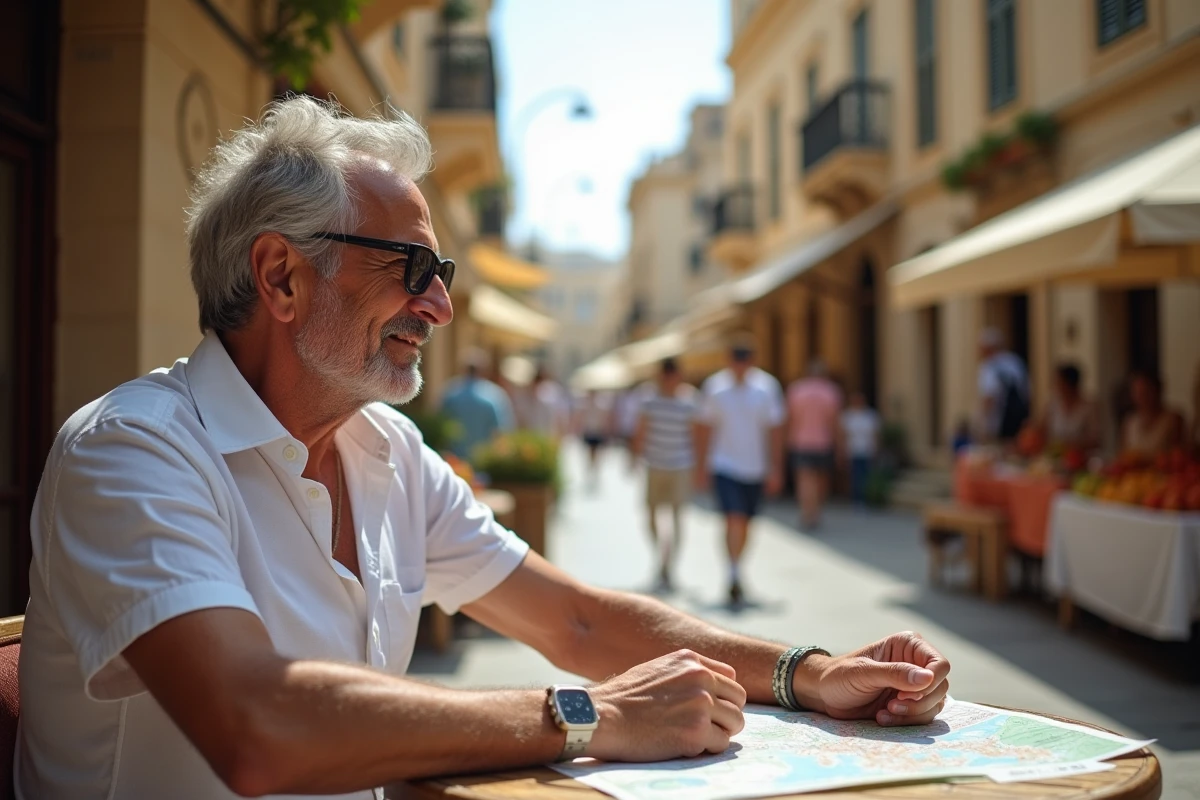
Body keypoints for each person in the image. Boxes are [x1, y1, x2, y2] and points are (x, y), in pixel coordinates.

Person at [17, 97, 951, 799]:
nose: (441, 306)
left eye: (445, 274)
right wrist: (592, 718)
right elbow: (257, 725)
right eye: (413, 269)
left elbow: (578, 623)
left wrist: (813, 673)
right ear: (281, 276)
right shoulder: (131, 450)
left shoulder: (386, 450)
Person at [694, 337, 785, 605]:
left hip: (755, 468)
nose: (740, 366)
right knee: (733, 517)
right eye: (736, 360)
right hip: (724, 465)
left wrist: (775, 467)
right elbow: (705, 427)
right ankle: (732, 573)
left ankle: (737, 567)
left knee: (746, 522)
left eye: (744, 360)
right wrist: (701, 467)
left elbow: (775, 430)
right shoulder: (715, 387)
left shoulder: (767, 387)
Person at [632, 358, 698, 592]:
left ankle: (669, 564)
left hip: (680, 465)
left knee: (677, 517)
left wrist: (699, 468)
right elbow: (641, 429)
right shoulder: (649, 399)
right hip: (655, 464)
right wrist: (635, 457)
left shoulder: (689, 400)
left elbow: (695, 434)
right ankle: (660, 555)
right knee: (651, 515)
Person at [786, 360, 843, 529]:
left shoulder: (796, 390)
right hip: (823, 442)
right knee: (821, 479)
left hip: (800, 441)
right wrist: (840, 445)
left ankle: (807, 511)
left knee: (805, 479)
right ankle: (816, 511)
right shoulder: (831, 391)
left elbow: (790, 419)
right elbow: (834, 422)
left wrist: (786, 441)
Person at [439, 347, 515, 460]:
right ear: (483, 370)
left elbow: (441, 425)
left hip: (455, 459)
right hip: (484, 459)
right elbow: (502, 430)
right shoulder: (494, 395)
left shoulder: (451, 392)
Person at [1027, 364, 1100, 453]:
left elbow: (1096, 440)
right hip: (1055, 456)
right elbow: (1041, 430)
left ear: (1070, 384)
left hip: (1080, 458)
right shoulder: (1053, 404)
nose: (1056, 386)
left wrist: (1070, 446)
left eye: (1059, 382)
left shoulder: (1089, 407)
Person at [976, 327, 1030, 443]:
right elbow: (1026, 391)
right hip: (1020, 420)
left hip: (999, 422)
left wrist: (983, 425)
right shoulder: (1015, 361)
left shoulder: (989, 366)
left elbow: (989, 398)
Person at [1120, 371, 1185, 458]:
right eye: (1137, 392)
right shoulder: (1130, 422)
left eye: (1146, 391)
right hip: (1134, 471)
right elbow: (1123, 456)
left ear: (1157, 391)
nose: (1142, 397)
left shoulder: (1172, 419)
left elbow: (1179, 456)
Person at [839, 391, 882, 508]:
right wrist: (842, 450)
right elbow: (842, 435)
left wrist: (876, 449)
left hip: (866, 450)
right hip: (852, 450)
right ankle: (856, 500)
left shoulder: (870, 416)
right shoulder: (847, 416)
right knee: (854, 477)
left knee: (865, 476)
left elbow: (875, 434)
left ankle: (864, 499)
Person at [574, 389, 612, 489]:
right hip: (589, 431)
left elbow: (605, 418)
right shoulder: (585, 405)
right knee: (591, 453)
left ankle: (594, 470)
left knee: (595, 453)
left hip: (596, 431)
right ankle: (592, 469)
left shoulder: (599, 404)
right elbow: (580, 418)